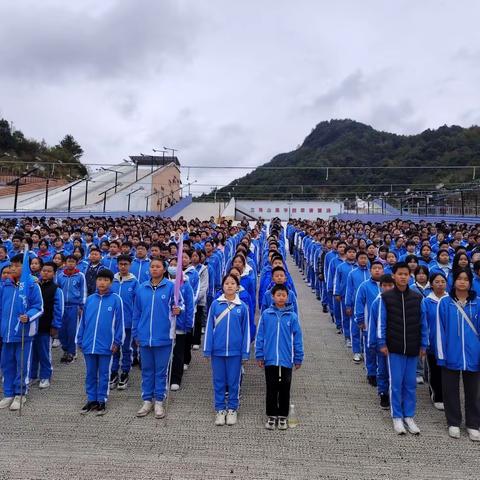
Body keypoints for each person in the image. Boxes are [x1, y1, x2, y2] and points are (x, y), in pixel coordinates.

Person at [377, 262, 428, 435]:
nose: (403, 276)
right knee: (396, 383)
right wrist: (382, 343)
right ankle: (397, 417)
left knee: (410, 384)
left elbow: (423, 323)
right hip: (394, 347)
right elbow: (381, 323)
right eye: (400, 274)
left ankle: (409, 416)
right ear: (393, 275)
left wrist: (423, 344)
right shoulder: (386, 297)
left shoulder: (417, 297)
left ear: (409, 276)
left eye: (406, 274)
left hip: (413, 347)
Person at [133, 259, 181, 419]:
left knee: (161, 372)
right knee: (146, 370)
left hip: (164, 337)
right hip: (145, 336)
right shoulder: (141, 288)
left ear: (164, 269)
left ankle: (159, 400)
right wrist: (136, 333)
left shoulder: (171, 288)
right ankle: (147, 400)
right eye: (152, 266)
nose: (154, 269)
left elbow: (181, 305)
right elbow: (137, 313)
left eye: (158, 266)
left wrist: (177, 310)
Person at [436, 268, 480, 441]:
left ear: (470, 282)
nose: (462, 281)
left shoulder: (477, 303)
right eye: (459, 278)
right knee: (450, 390)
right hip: (451, 354)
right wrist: (441, 355)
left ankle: (473, 424)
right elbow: (440, 330)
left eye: (466, 279)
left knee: (474, 392)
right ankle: (453, 422)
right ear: (453, 281)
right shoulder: (445, 302)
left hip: (473, 355)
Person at [203, 274, 250, 426]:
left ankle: (232, 409)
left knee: (234, 382)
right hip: (217, 351)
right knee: (219, 381)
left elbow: (246, 332)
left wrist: (245, 352)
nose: (229, 286)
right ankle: (220, 409)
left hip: (235, 353)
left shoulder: (242, 307)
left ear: (237, 287)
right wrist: (207, 349)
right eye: (227, 283)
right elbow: (209, 328)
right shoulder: (215, 305)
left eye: (232, 283)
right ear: (222, 286)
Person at [255, 284, 304, 430]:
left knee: (284, 388)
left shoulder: (292, 316)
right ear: (273, 297)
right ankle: (271, 415)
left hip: (286, 359)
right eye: (278, 295)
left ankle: (283, 416)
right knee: (271, 388)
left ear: (287, 297)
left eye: (284, 295)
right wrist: (259, 354)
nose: (281, 297)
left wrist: (298, 357)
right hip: (270, 359)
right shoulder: (266, 315)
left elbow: (298, 338)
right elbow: (260, 336)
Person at [76, 269, 124, 415]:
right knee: (90, 373)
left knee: (104, 374)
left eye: (105, 280)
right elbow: (83, 322)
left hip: (107, 345)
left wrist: (117, 341)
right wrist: (79, 339)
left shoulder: (116, 299)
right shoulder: (90, 299)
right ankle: (91, 399)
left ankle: (102, 400)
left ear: (111, 282)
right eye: (100, 280)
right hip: (89, 344)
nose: (102, 282)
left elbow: (119, 323)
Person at [0, 254, 44, 411]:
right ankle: (8, 393)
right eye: (11, 265)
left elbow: (39, 307)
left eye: (17, 266)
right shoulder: (5, 285)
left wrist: (29, 316)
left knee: (21, 364)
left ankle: (20, 394)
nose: (13, 268)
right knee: (6, 364)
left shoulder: (32, 285)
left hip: (23, 332)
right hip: (6, 333)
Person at [30, 262, 64, 389]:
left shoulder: (56, 290)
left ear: (54, 273)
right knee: (32, 353)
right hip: (33, 325)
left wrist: (55, 326)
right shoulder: (34, 286)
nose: (45, 273)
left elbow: (59, 310)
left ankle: (45, 376)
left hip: (46, 325)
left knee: (44, 352)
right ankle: (32, 375)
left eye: (49, 271)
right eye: (44, 270)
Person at [110, 254, 139, 390]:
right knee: (114, 348)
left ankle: (125, 372)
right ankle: (114, 372)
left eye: (125, 264)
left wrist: (135, 321)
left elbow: (138, 304)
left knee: (126, 348)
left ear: (130, 265)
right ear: (117, 265)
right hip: (113, 321)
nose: (123, 266)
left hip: (127, 322)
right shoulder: (112, 280)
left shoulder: (134, 282)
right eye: (120, 264)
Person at [366, 274, 395, 410]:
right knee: (382, 369)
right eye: (385, 286)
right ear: (380, 286)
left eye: (390, 285)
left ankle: (394, 394)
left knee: (395, 371)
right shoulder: (377, 302)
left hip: (396, 341)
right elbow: (372, 323)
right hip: (381, 343)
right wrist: (372, 342)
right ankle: (383, 393)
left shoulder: (399, 301)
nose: (388, 288)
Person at [421, 272, 448, 411]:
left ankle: (446, 395)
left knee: (447, 371)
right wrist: (424, 342)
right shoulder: (426, 301)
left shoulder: (450, 300)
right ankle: (436, 396)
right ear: (431, 284)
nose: (440, 284)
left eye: (443, 281)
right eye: (437, 281)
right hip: (432, 342)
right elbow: (423, 323)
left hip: (448, 343)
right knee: (435, 370)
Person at [167, 257, 194, 391]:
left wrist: (188, 324)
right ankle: (166, 376)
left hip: (180, 325)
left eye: (175, 265)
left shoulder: (186, 285)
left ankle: (176, 378)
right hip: (166, 326)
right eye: (170, 264)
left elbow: (189, 306)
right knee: (167, 353)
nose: (172, 267)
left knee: (178, 353)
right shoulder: (164, 283)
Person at [56, 255, 87, 364]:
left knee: (72, 330)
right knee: (62, 330)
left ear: (76, 263)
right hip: (62, 306)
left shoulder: (80, 276)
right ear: (65, 263)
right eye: (68, 261)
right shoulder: (60, 276)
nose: (70, 263)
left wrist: (82, 305)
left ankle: (72, 352)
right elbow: (57, 291)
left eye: (73, 261)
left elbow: (83, 291)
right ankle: (65, 350)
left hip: (74, 307)